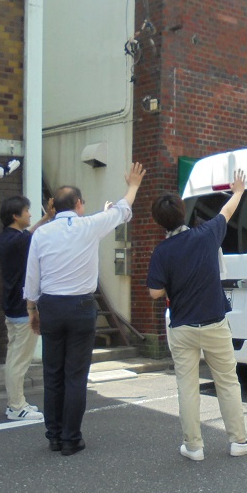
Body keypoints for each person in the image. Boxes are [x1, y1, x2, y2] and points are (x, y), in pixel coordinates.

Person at [25, 163, 146, 456]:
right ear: (79, 204)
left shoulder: (40, 234)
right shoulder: (90, 225)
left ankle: (53, 436)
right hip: (80, 307)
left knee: (53, 373)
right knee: (75, 375)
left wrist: (32, 309)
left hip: (51, 306)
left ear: (54, 206)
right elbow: (121, 210)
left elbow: (32, 277)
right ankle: (71, 438)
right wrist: (133, 185)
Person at [146, 169, 247, 461]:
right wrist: (238, 190)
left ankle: (194, 447)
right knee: (227, 381)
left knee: (187, 386)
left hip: (182, 325)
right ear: (183, 213)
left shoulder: (162, 251)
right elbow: (226, 211)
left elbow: (155, 293)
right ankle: (238, 441)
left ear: (159, 222)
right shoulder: (207, 234)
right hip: (214, 322)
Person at [0, 195, 55, 420]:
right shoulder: (19, 240)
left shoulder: (6, 237)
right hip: (23, 309)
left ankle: (16, 403)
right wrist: (51, 218)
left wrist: (46, 217)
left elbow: (30, 234)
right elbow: (35, 236)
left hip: (12, 306)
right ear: (15, 215)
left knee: (14, 357)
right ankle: (16, 406)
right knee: (19, 361)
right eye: (27, 211)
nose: (30, 215)